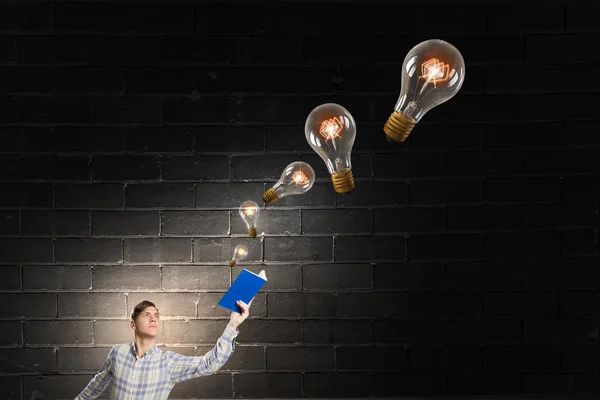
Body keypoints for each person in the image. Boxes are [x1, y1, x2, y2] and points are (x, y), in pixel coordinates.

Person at [75, 299, 252, 399]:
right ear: (133, 324)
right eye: (146, 315)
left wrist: (233, 325)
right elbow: (95, 387)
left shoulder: (168, 363)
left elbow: (209, 364)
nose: (153, 319)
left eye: (156, 316)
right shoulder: (117, 353)